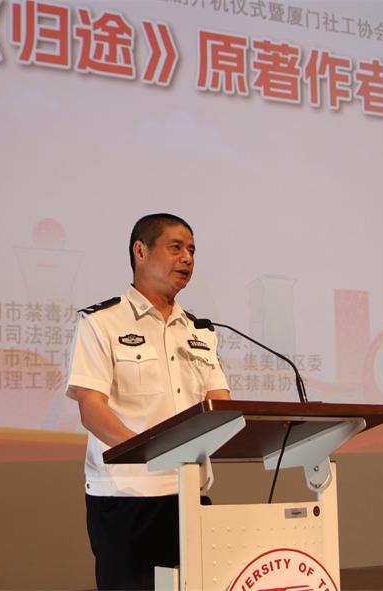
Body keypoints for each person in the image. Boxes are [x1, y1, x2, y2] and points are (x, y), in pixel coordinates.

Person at [66, 213, 230, 590]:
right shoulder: (101, 323)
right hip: (127, 496)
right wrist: (150, 454)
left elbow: (219, 404)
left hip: (189, 492)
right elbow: (91, 408)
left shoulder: (201, 332)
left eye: (192, 250)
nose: (187, 258)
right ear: (140, 251)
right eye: (176, 247)